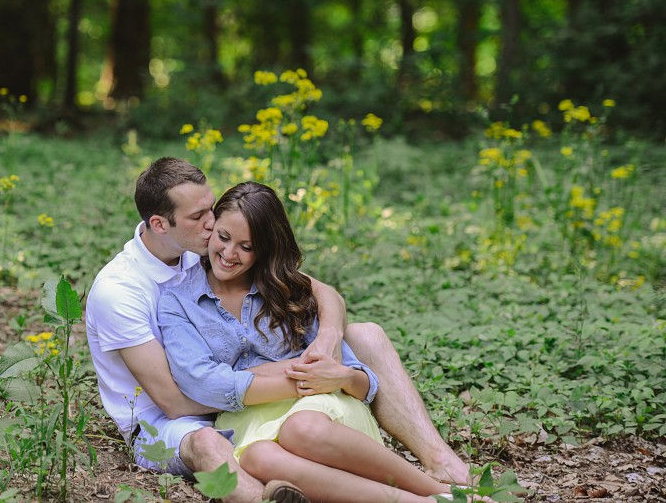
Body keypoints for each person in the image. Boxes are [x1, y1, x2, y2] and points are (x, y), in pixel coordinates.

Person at [85, 158, 468, 503]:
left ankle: (442, 465)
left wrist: (328, 341)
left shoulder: (204, 245)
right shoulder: (122, 290)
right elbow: (176, 401)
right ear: (159, 224)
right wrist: (304, 374)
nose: (212, 222)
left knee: (364, 334)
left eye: (211, 209)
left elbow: (318, 289)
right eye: (200, 216)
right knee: (218, 444)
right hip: (173, 418)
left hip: (253, 398)